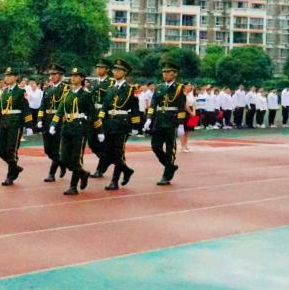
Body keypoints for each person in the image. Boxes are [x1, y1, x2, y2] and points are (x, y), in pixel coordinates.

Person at [49, 67, 100, 195]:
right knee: (64, 158)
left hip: (79, 128)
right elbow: (60, 111)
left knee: (76, 158)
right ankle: (83, 173)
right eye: (72, 75)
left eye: (76, 76)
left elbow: (93, 114)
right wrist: (53, 124)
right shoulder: (67, 94)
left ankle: (73, 186)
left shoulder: (86, 94)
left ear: (82, 78)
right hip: (66, 128)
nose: (73, 78)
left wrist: (99, 130)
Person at [97, 58, 140, 189]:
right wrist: (100, 123)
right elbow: (104, 107)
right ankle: (126, 170)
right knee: (108, 153)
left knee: (118, 152)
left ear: (125, 72)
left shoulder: (131, 89)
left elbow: (135, 108)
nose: (116, 72)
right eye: (115, 70)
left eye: (119, 70)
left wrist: (135, 126)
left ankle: (114, 181)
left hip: (122, 123)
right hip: (109, 123)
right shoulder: (110, 88)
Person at [144, 60, 187, 185]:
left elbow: (181, 107)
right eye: (164, 72)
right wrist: (149, 118)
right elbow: (153, 104)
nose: (165, 74)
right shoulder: (159, 88)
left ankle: (167, 174)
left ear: (175, 74)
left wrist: (181, 124)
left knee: (170, 149)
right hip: (159, 120)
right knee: (155, 146)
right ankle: (170, 166)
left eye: (168, 72)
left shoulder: (179, 88)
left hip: (171, 121)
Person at [0, 67, 31, 186]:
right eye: (6, 75)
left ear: (16, 77)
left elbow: (26, 108)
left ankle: (10, 175)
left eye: (10, 75)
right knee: (0, 150)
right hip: (4, 123)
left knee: (11, 150)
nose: (6, 78)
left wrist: (28, 125)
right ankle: (15, 167)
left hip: (15, 124)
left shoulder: (21, 91)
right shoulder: (5, 91)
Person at [40, 64, 68, 182]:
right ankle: (61, 163)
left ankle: (51, 173)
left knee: (56, 148)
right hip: (47, 120)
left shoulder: (66, 89)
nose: (52, 76)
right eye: (51, 74)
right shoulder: (48, 89)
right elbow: (42, 106)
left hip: (59, 121)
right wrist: (39, 119)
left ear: (60, 75)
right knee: (47, 149)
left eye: (54, 74)